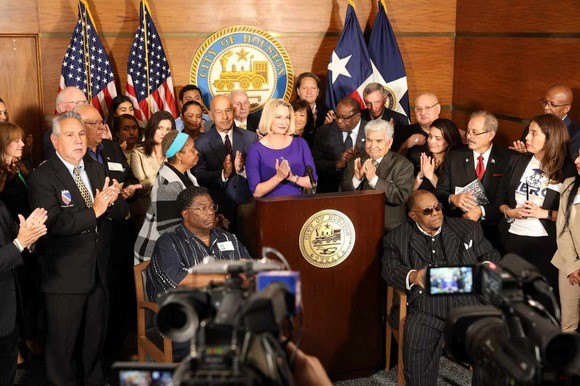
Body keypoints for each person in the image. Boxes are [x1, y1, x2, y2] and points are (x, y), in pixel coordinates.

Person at [28, 111, 127, 385]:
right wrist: (95, 211)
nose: (79, 141)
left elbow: (117, 212)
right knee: (63, 349)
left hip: (98, 272)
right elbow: (55, 223)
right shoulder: (43, 177)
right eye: (70, 135)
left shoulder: (96, 169)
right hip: (64, 278)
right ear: (55, 140)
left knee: (94, 343)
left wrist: (115, 201)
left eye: (82, 134)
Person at [383, 189, 501, 386]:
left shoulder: (466, 228)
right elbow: (389, 269)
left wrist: (487, 269)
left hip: (467, 302)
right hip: (425, 306)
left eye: (438, 207)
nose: (436, 213)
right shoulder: (397, 238)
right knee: (416, 341)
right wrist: (413, 275)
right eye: (428, 211)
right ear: (413, 215)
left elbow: (490, 254)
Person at [145, 186, 250, 359]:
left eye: (211, 206)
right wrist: (228, 278)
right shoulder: (169, 242)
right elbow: (181, 281)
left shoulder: (228, 238)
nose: (209, 212)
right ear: (185, 214)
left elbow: (248, 270)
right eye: (201, 208)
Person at [497, 113, 574, 297]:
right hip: (511, 238)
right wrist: (510, 212)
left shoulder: (567, 170)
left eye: (533, 133)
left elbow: (572, 216)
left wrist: (544, 213)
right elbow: (500, 198)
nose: (526, 138)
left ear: (550, 138)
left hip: (544, 244)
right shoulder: (517, 160)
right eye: (528, 132)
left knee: (539, 299)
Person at [435, 111, 511, 251]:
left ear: (490, 134)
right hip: (459, 230)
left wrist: (482, 211)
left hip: (496, 233)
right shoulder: (454, 157)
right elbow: (440, 191)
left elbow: (510, 198)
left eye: (475, 132)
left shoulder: (508, 159)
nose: (469, 136)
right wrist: (453, 199)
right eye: (468, 131)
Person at [192, 94, 258, 232]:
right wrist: (223, 173)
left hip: (248, 207)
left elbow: (259, 172)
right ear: (211, 115)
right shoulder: (201, 143)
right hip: (217, 210)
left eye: (228, 111)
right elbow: (199, 176)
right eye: (219, 112)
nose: (225, 117)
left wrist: (242, 170)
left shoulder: (250, 138)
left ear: (233, 111)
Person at [134, 131, 199, 264]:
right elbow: (169, 231)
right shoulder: (167, 185)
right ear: (179, 155)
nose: (196, 152)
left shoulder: (186, 174)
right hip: (155, 253)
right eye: (192, 150)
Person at [0, 203, 47, 386]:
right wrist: (19, 243)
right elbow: (16, 243)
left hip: (8, 311)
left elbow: (15, 234)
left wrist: (29, 233)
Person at [340, 118, 414, 232]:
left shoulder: (403, 165)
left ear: (389, 142)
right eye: (369, 140)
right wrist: (356, 180)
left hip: (390, 230)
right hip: (358, 226)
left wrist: (373, 179)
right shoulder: (355, 160)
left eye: (379, 141)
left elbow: (400, 196)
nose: (372, 146)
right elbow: (342, 193)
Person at [246, 99, 317, 197]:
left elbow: (312, 182)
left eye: (287, 117)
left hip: (298, 205)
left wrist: (292, 177)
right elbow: (256, 192)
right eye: (278, 117)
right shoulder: (255, 150)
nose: (284, 122)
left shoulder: (300, 144)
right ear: (268, 118)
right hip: (269, 207)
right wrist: (278, 177)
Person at [129, 110, 175, 227]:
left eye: (168, 129)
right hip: (146, 212)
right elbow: (142, 185)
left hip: (171, 210)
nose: (163, 133)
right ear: (152, 128)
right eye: (160, 128)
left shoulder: (175, 154)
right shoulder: (138, 152)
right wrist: (165, 168)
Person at [313, 97, 366, 193]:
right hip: (331, 192)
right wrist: (337, 164)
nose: (339, 121)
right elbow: (315, 164)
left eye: (345, 118)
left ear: (357, 116)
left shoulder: (371, 131)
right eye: (337, 116)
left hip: (362, 192)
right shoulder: (324, 132)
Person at [552, 151, 580, 332]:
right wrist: (573, 266)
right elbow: (562, 229)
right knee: (567, 323)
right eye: (578, 155)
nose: (577, 160)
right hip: (568, 264)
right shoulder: (570, 184)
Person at [515, 85, 580, 157]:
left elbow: (570, 164)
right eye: (545, 102)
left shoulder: (576, 134)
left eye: (553, 105)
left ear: (566, 109)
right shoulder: (534, 125)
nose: (546, 107)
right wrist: (524, 153)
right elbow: (523, 151)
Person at [409, 118, 462, 192]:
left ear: (449, 140)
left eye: (438, 138)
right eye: (430, 136)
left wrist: (432, 176)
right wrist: (420, 175)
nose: (431, 141)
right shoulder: (423, 156)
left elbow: (452, 195)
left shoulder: (455, 162)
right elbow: (408, 193)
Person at [43, 86, 88, 160]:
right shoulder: (52, 136)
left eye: (85, 103)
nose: (84, 107)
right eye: (78, 103)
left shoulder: (94, 130)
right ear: (62, 108)